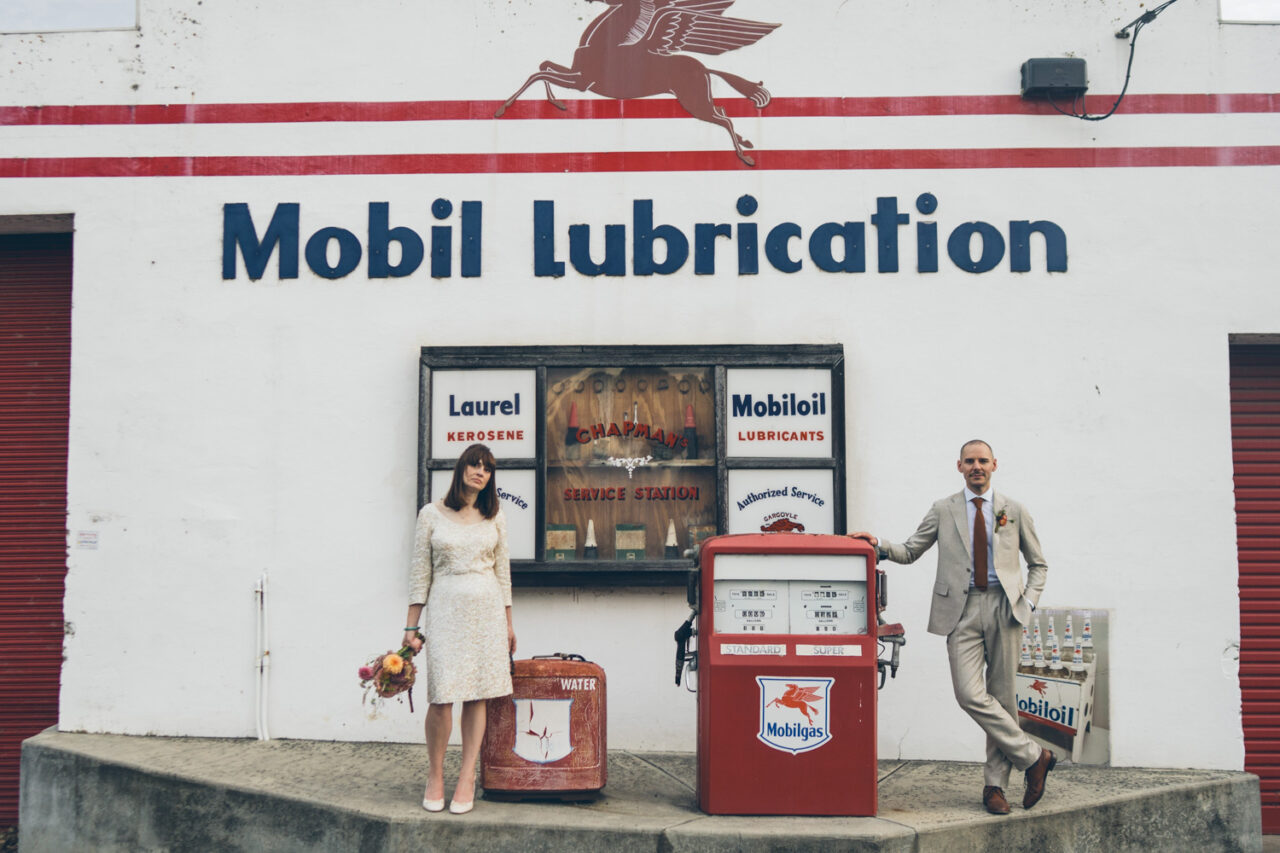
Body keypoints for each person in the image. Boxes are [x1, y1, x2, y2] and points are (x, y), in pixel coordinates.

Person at [850, 439, 1054, 815]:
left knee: (1003, 698)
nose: (977, 467)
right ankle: (1034, 756)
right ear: (959, 466)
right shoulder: (943, 509)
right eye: (969, 461)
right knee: (969, 694)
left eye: (983, 461)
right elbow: (912, 550)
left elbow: (1038, 564)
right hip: (959, 610)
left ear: (994, 464)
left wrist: (1027, 603)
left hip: (1005, 607)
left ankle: (995, 787)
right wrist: (877, 544)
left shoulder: (1015, 510)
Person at [403, 443, 516, 815]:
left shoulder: (494, 516)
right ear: (461, 468)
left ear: (490, 477)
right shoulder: (431, 514)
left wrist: (509, 624)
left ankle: (467, 776)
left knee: (477, 695)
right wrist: (410, 627)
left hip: (486, 610)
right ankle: (435, 774)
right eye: (474, 464)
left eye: (486, 468)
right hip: (446, 608)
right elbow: (421, 573)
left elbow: (503, 575)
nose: (479, 472)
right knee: (441, 696)